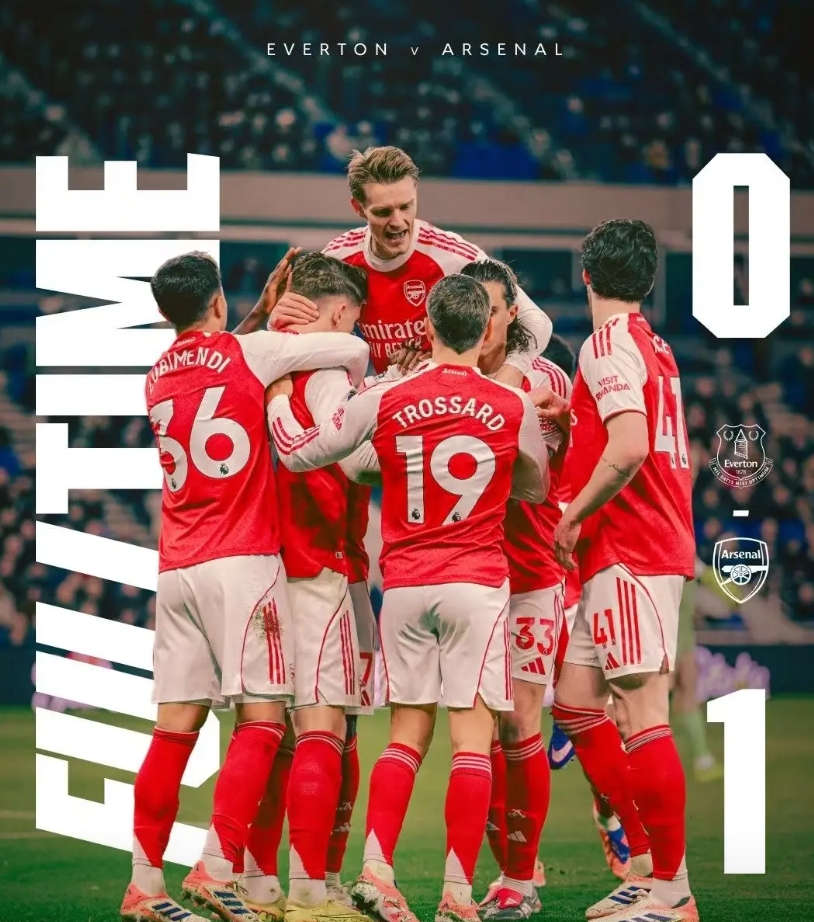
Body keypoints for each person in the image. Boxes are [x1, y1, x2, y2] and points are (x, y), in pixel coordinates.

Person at [267, 274, 551, 922]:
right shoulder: (513, 403)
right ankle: (457, 893)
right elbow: (533, 487)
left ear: (426, 329)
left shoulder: (386, 396)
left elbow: (309, 454)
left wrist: (281, 396)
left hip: (405, 585)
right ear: (487, 329)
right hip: (476, 584)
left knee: (404, 736)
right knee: (471, 742)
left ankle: (376, 870)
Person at [121, 251, 369, 922]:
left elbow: (210, 361)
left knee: (174, 728)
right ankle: (217, 864)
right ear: (218, 301)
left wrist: (255, 316)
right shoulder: (254, 354)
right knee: (263, 719)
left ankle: (144, 885)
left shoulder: (155, 374)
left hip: (175, 566)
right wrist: (277, 330)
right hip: (242, 560)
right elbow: (349, 347)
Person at [268, 146, 555, 679]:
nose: (398, 221)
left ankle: (532, 631)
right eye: (383, 212)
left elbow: (535, 323)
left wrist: (504, 382)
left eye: (407, 206)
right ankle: (352, 652)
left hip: (446, 415)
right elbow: (304, 330)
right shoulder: (340, 256)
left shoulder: (451, 256)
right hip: (385, 414)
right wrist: (279, 317)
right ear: (359, 209)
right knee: (347, 484)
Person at [541, 220, 698, 922]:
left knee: (641, 712)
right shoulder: (651, 345)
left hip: (630, 548)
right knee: (576, 702)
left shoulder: (605, 345)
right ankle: (643, 868)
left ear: (586, 276)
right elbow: (627, 430)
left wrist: (572, 515)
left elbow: (631, 446)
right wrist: (574, 415)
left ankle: (673, 890)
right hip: (634, 547)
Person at [245, 252, 377, 922]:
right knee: (327, 728)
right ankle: (311, 888)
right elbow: (350, 459)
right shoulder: (329, 371)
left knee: (273, 732)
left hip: (260, 567)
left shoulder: (248, 364)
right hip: (319, 565)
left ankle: (256, 880)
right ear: (341, 311)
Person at [455, 260, 569, 921]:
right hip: (467, 577)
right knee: (482, 731)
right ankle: (509, 869)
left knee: (521, 721)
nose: (483, 321)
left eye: (493, 309)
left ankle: (519, 880)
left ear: (511, 314)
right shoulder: (444, 378)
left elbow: (572, 466)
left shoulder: (547, 380)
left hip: (528, 576)